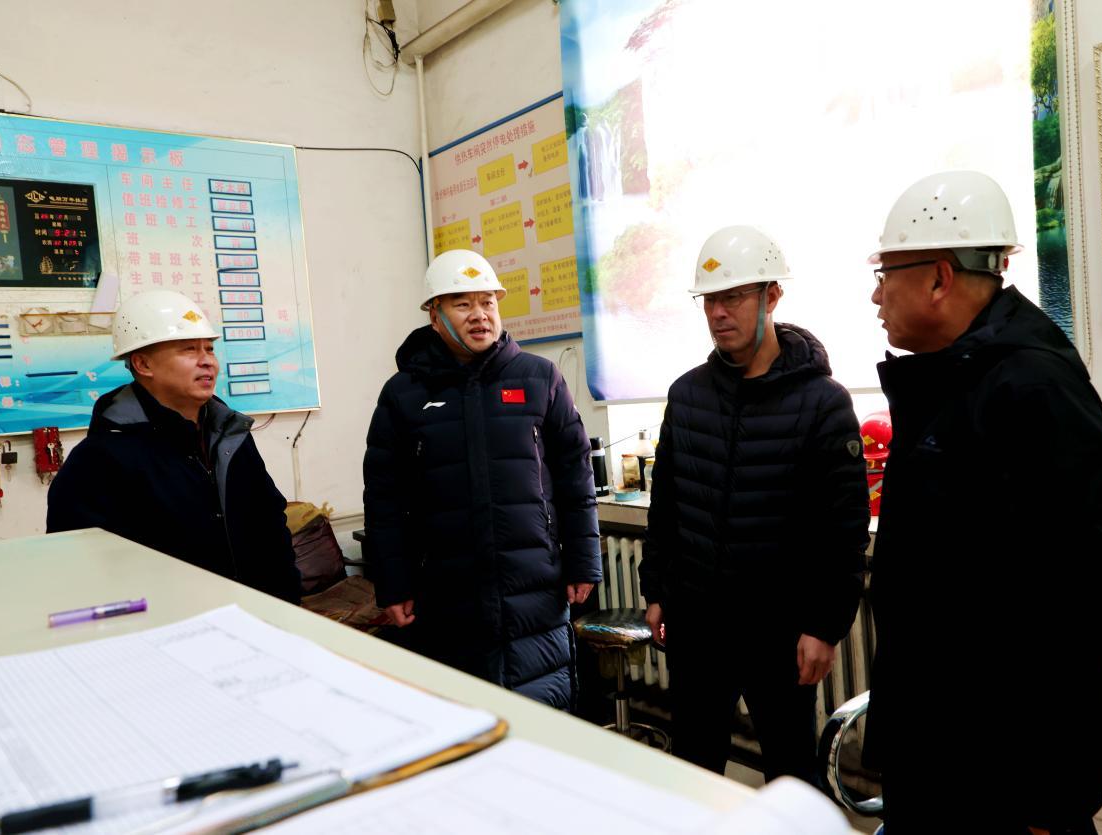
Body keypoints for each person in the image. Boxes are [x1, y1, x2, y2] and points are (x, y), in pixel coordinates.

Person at [863, 170, 1102, 833]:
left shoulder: (1033, 386)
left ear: (939, 278)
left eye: (885, 273)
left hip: (1002, 776)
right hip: (938, 749)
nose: (876, 294)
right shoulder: (952, 377)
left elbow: (1073, 604)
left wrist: (1056, 793)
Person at [639, 225, 870, 784]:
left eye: (734, 297)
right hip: (697, 626)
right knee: (694, 769)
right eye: (710, 300)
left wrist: (824, 626)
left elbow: (843, 528)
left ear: (772, 296)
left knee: (791, 774)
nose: (719, 313)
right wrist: (656, 590)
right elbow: (666, 504)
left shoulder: (822, 402)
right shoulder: (687, 395)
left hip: (780, 633)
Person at [363, 249, 601, 709]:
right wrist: (392, 583)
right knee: (463, 719)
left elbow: (576, 475)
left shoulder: (539, 377)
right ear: (435, 315)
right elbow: (384, 498)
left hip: (535, 588)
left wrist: (584, 562)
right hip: (447, 594)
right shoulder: (403, 394)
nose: (479, 315)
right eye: (462, 304)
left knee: (543, 716)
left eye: (488, 302)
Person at [47, 290, 300, 602]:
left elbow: (269, 520)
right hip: (168, 622)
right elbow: (80, 564)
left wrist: (288, 603)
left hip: (257, 613)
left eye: (209, 349)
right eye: (189, 350)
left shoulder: (230, 435)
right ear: (143, 363)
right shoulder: (99, 458)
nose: (207, 361)